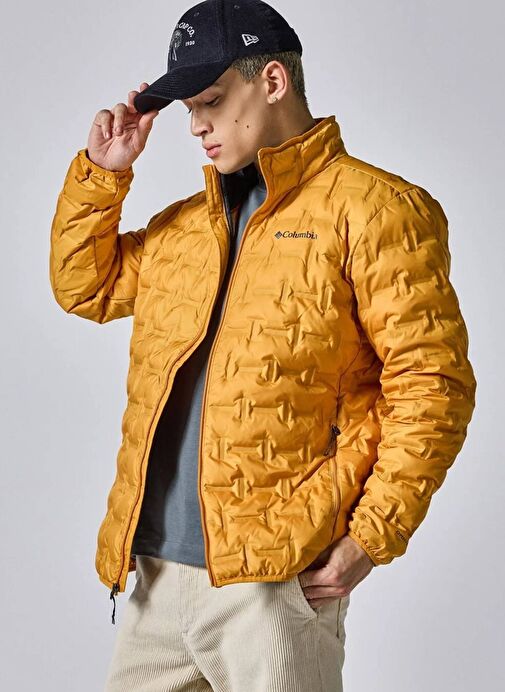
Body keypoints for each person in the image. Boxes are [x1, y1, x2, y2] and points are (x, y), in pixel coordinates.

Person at [49, 1, 477, 690]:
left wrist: (371, 538)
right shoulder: (185, 227)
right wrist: (104, 172)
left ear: (272, 81)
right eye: (189, 108)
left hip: (274, 585)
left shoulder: (375, 210)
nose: (196, 125)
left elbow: (433, 386)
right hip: (152, 577)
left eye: (212, 101)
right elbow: (84, 286)